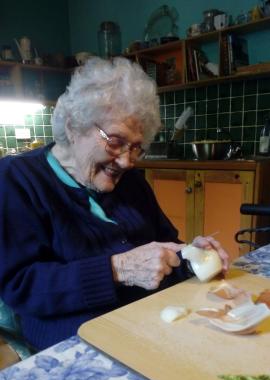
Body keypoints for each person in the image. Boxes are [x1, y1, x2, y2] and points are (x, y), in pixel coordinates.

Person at [0, 57, 229, 351]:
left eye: (136, 147)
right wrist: (117, 269)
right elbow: (22, 286)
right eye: (116, 142)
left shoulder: (130, 180)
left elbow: (166, 244)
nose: (126, 161)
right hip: (79, 340)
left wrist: (192, 254)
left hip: (158, 320)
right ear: (73, 126)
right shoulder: (16, 180)